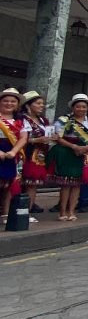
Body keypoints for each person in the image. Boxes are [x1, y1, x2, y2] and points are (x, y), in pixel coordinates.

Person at [46, 94, 88, 221]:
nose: (81, 109)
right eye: (78, 106)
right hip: (68, 153)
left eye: (84, 106)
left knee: (77, 184)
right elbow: (58, 137)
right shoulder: (64, 120)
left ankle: (72, 211)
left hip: (85, 153)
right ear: (73, 107)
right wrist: (73, 146)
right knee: (66, 184)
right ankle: (62, 212)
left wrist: (87, 148)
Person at [18, 91, 51, 221]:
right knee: (20, 184)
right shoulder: (22, 119)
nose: (42, 106)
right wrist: (36, 140)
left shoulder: (43, 120)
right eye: (38, 103)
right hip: (26, 154)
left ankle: (27, 212)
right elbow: (19, 138)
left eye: (42, 103)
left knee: (33, 184)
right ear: (28, 105)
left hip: (40, 156)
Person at [0, 88, 28, 222]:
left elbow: (23, 138)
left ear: (17, 104)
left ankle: (5, 214)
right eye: (5, 101)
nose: (9, 104)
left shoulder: (21, 121)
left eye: (12, 101)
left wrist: (14, 151)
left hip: (12, 154)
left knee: (8, 184)